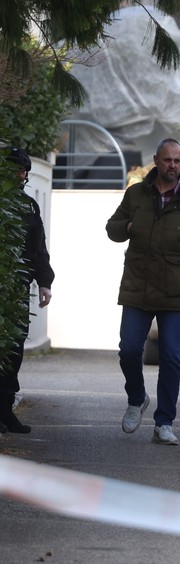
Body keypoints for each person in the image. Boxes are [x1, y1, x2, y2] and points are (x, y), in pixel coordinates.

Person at [105, 138, 180, 446]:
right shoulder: (136, 194)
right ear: (156, 160)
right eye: (168, 160)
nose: (173, 166)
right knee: (129, 350)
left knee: (171, 357)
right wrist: (128, 228)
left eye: (178, 161)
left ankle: (165, 421)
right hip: (137, 285)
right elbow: (112, 228)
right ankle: (137, 397)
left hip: (174, 289)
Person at [0, 147, 55, 434]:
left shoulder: (28, 206)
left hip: (18, 290)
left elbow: (38, 248)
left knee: (14, 349)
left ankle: (5, 410)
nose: (19, 175)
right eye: (14, 169)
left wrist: (44, 282)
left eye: (22, 171)